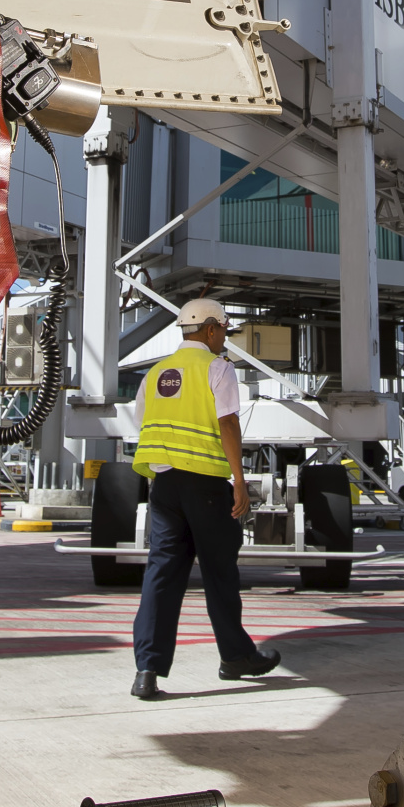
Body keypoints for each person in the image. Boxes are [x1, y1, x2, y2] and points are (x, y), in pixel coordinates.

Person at [128, 297, 282, 701]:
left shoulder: (155, 373)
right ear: (210, 329)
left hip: (164, 487)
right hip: (208, 487)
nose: (224, 339)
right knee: (219, 573)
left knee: (161, 574)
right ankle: (235, 657)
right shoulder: (218, 368)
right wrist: (239, 480)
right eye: (223, 332)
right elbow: (228, 423)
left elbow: (143, 421)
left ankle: (147, 670)